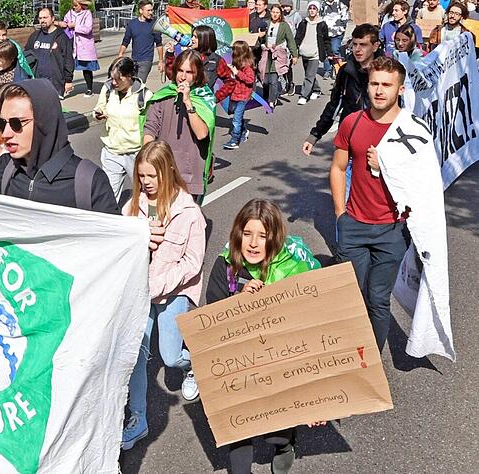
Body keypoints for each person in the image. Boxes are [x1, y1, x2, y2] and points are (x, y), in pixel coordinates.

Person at [206, 198, 323, 474]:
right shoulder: (227, 266)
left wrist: (317, 399)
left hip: (281, 365)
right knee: (240, 435)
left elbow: (318, 331)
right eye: (247, 234)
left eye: (263, 235)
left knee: (277, 430)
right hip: (240, 369)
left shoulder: (295, 266)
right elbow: (209, 321)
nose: (254, 243)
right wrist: (238, 303)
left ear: (275, 237)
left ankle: (284, 444)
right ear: (238, 234)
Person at [121, 140, 206, 451]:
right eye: (141, 176)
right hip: (139, 294)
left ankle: (193, 365)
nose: (146, 183)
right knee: (136, 358)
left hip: (173, 292)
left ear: (168, 170)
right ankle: (138, 418)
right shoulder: (132, 207)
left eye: (151, 176)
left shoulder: (189, 212)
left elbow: (193, 261)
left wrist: (164, 283)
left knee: (170, 356)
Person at [332, 56, 412, 352]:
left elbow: (423, 181)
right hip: (353, 225)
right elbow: (338, 168)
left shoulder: (412, 130)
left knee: (378, 298)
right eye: (374, 83)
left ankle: (370, 367)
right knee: (350, 296)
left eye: (387, 85)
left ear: (400, 89)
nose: (379, 90)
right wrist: (341, 215)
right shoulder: (352, 123)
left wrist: (388, 165)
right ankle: (347, 356)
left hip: (392, 230)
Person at [0, 79, 117, 213]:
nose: (6, 134)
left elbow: (111, 233)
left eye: (16, 123)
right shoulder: (3, 168)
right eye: (2, 124)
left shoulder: (89, 180)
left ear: (44, 122)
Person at [143, 49, 215, 200]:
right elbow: (150, 129)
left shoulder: (204, 98)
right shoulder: (163, 96)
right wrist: (148, 160)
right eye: (180, 71)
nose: (183, 77)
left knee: (184, 220)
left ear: (198, 74)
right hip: (162, 170)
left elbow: (202, 134)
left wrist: (188, 102)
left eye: (189, 72)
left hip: (189, 174)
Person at [302, 23, 381, 156]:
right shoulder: (346, 71)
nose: (357, 49)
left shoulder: (386, 72)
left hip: (377, 141)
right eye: (355, 44)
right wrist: (315, 135)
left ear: (375, 46)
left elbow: (396, 108)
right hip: (350, 136)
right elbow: (335, 105)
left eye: (363, 45)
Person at [93, 57, 152, 202]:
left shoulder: (144, 96)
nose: (114, 83)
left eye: (118, 79)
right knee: (109, 197)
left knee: (145, 194)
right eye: (112, 78)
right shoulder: (107, 90)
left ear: (129, 76)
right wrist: (97, 114)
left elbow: (152, 126)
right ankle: (111, 223)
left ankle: (149, 221)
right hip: (112, 152)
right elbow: (99, 107)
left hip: (136, 153)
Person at [25, 8, 75, 99]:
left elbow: (68, 59)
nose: (42, 20)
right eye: (40, 18)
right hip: (37, 82)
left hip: (55, 83)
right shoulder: (35, 36)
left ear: (52, 19)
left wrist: (68, 80)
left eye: (45, 17)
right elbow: (26, 56)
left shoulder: (62, 37)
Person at [216, 41, 256, 150]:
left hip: (243, 96)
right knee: (235, 114)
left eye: (234, 50)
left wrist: (237, 72)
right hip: (234, 94)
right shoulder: (236, 63)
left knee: (236, 119)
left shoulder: (247, 66)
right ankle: (243, 130)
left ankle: (234, 140)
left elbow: (250, 80)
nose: (232, 52)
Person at [259, 5, 298, 108]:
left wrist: (294, 55)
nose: (275, 14)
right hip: (266, 53)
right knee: (265, 78)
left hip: (278, 53)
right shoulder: (266, 23)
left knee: (274, 78)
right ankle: (266, 95)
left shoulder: (284, 26)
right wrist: (261, 39)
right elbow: (259, 38)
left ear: (280, 14)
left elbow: (290, 40)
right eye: (273, 12)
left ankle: (272, 99)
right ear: (270, 12)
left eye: (277, 12)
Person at [60, 0, 100, 97]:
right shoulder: (69, 13)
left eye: (76, 5)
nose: (74, 7)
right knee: (67, 68)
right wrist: (63, 24)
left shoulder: (87, 14)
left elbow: (87, 29)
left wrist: (75, 26)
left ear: (82, 5)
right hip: (71, 44)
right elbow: (65, 22)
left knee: (86, 68)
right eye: (73, 5)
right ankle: (64, 89)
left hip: (84, 46)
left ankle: (89, 88)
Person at [118, 0, 164, 84]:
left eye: (152, 10)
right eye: (148, 10)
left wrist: (161, 61)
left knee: (139, 83)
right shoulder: (132, 24)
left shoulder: (154, 25)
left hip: (146, 60)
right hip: (134, 60)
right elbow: (126, 41)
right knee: (130, 83)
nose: (151, 12)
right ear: (141, 11)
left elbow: (159, 44)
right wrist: (120, 55)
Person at [295, 1, 332, 105]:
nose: (312, 10)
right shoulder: (304, 22)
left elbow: (326, 40)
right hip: (304, 52)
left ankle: (304, 95)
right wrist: (294, 50)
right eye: (310, 8)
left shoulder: (322, 24)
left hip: (315, 54)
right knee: (309, 74)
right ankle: (316, 90)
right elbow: (298, 37)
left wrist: (329, 53)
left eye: (314, 8)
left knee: (309, 75)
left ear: (318, 10)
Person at [191, 25, 230, 93]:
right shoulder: (188, 55)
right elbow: (172, 76)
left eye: (195, 37)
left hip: (204, 101)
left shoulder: (217, 60)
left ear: (204, 39)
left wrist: (215, 98)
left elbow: (230, 81)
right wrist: (170, 54)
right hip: (184, 100)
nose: (192, 39)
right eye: (192, 36)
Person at [320, 0, 349, 78]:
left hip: (337, 33)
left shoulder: (340, 4)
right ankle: (327, 70)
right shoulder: (323, 4)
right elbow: (320, 16)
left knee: (335, 50)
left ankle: (337, 68)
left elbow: (345, 18)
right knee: (326, 51)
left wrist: (341, 28)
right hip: (325, 33)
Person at [281, 0, 304, 95]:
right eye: (284, 6)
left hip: (291, 43)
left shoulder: (296, 16)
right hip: (282, 43)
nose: (286, 8)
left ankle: (290, 84)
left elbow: (300, 29)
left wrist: (297, 44)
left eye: (287, 6)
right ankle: (285, 84)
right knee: (281, 65)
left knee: (288, 65)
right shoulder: (281, 15)